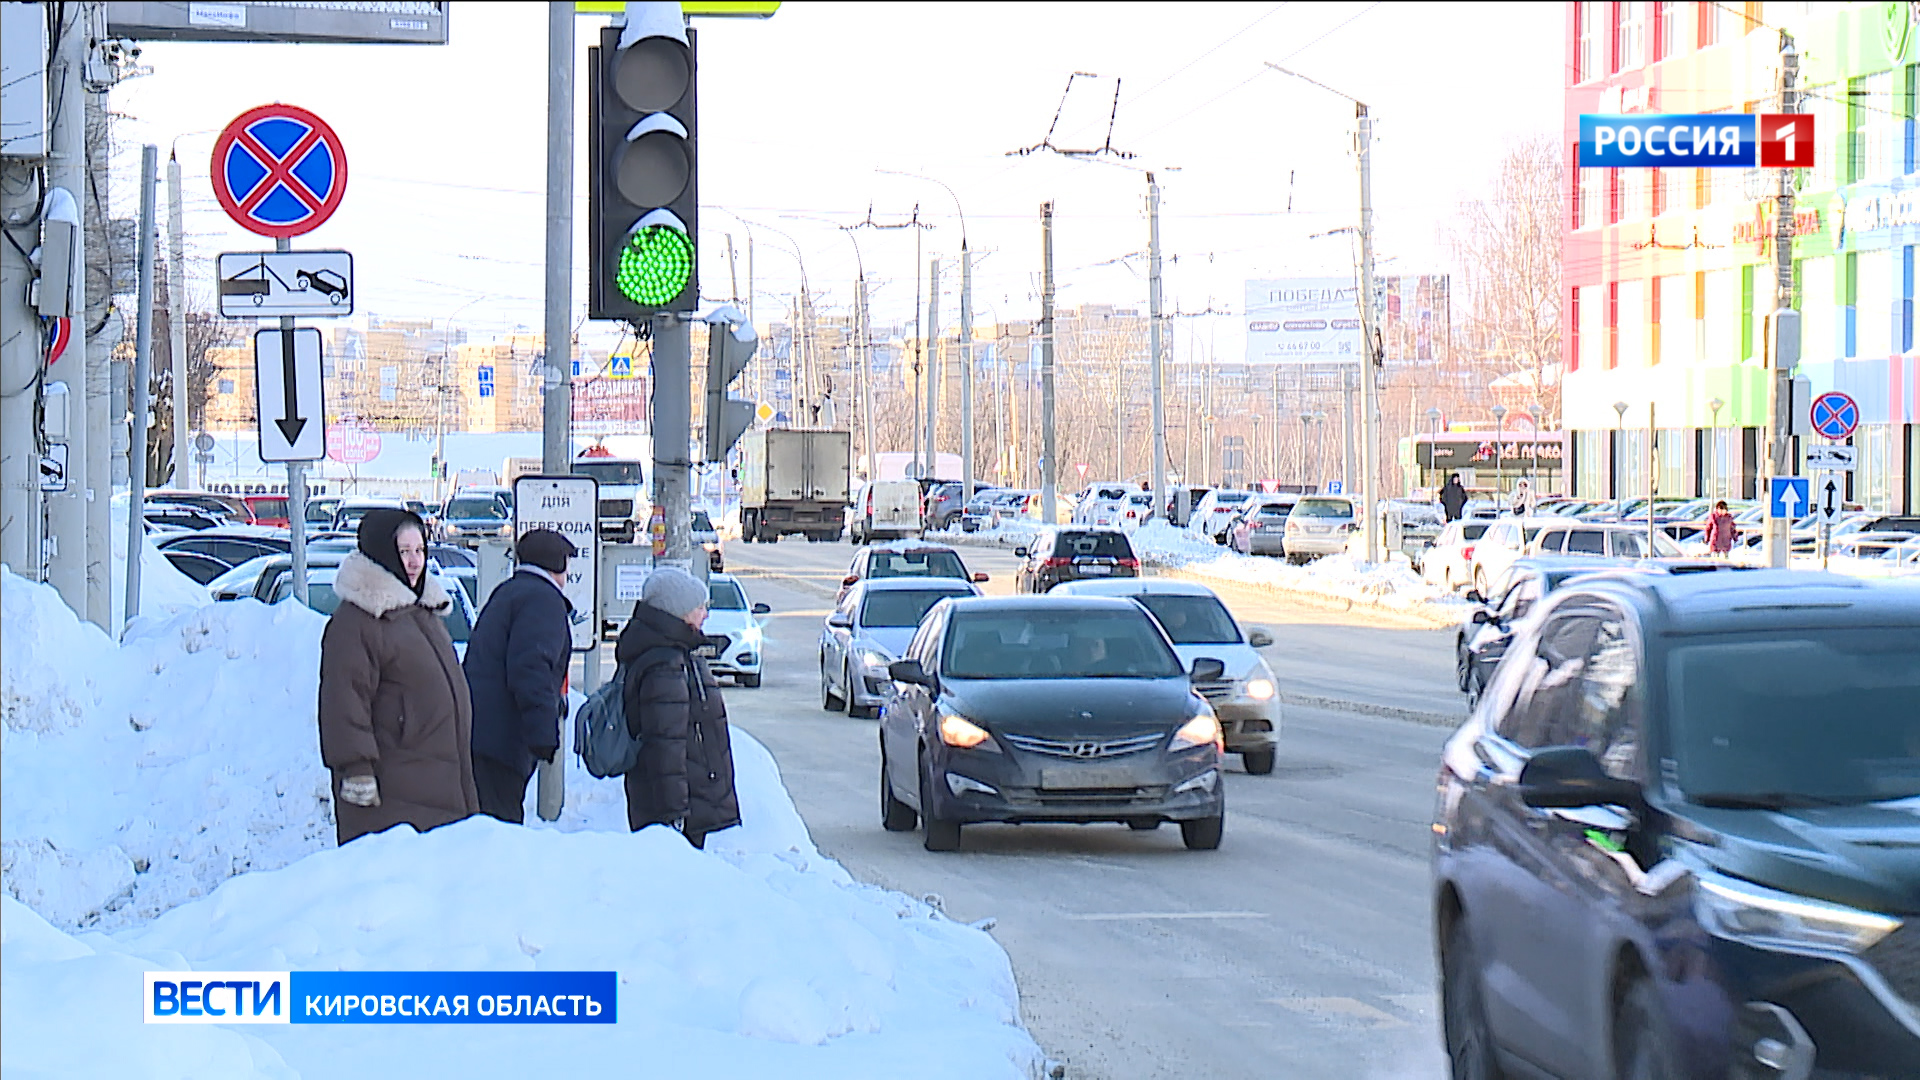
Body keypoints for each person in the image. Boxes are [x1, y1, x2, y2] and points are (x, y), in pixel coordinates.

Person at [318, 509, 479, 845]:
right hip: (394, 793)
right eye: (403, 551)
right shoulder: (357, 621)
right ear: (382, 552)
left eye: (419, 550)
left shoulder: (424, 613)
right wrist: (355, 767)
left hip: (438, 783)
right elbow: (343, 699)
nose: (414, 561)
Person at [616, 567, 740, 849]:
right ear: (678, 612)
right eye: (699, 607)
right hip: (678, 808)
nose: (705, 613)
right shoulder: (665, 666)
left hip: (687, 800)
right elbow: (665, 745)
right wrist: (674, 813)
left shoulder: (678, 654)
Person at [464, 528, 577, 824]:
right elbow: (531, 668)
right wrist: (542, 733)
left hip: (479, 733)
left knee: (483, 822)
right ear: (557, 567)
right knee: (499, 827)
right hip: (503, 739)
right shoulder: (543, 600)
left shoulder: (510, 592)